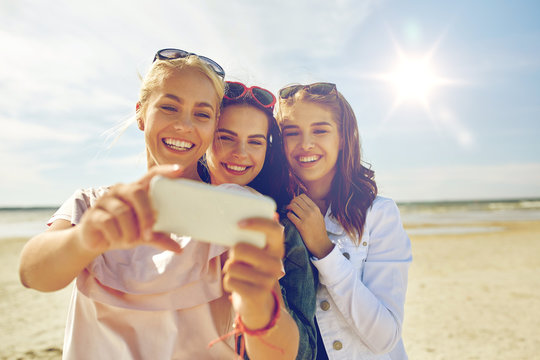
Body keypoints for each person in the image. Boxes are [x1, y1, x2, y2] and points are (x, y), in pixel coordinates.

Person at [18, 49, 299, 360]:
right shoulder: (95, 203)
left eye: (202, 114)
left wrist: (260, 304)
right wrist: (86, 238)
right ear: (141, 113)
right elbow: (32, 273)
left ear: (213, 126)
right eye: (169, 107)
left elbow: (279, 355)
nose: (184, 125)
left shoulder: (236, 210)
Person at [276, 82, 412, 359]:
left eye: (320, 130)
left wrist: (324, 251)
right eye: (292, 133)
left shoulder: (379, 215)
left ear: (342, 137)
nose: (305, 144)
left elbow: (385, 337)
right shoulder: (272, 213)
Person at [203, 81, 318, 359]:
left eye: (255, 141)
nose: (241, 152)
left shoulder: (281, 230)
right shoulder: (173, 211)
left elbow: (305, 352)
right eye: (226, 137)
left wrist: (264, 300)